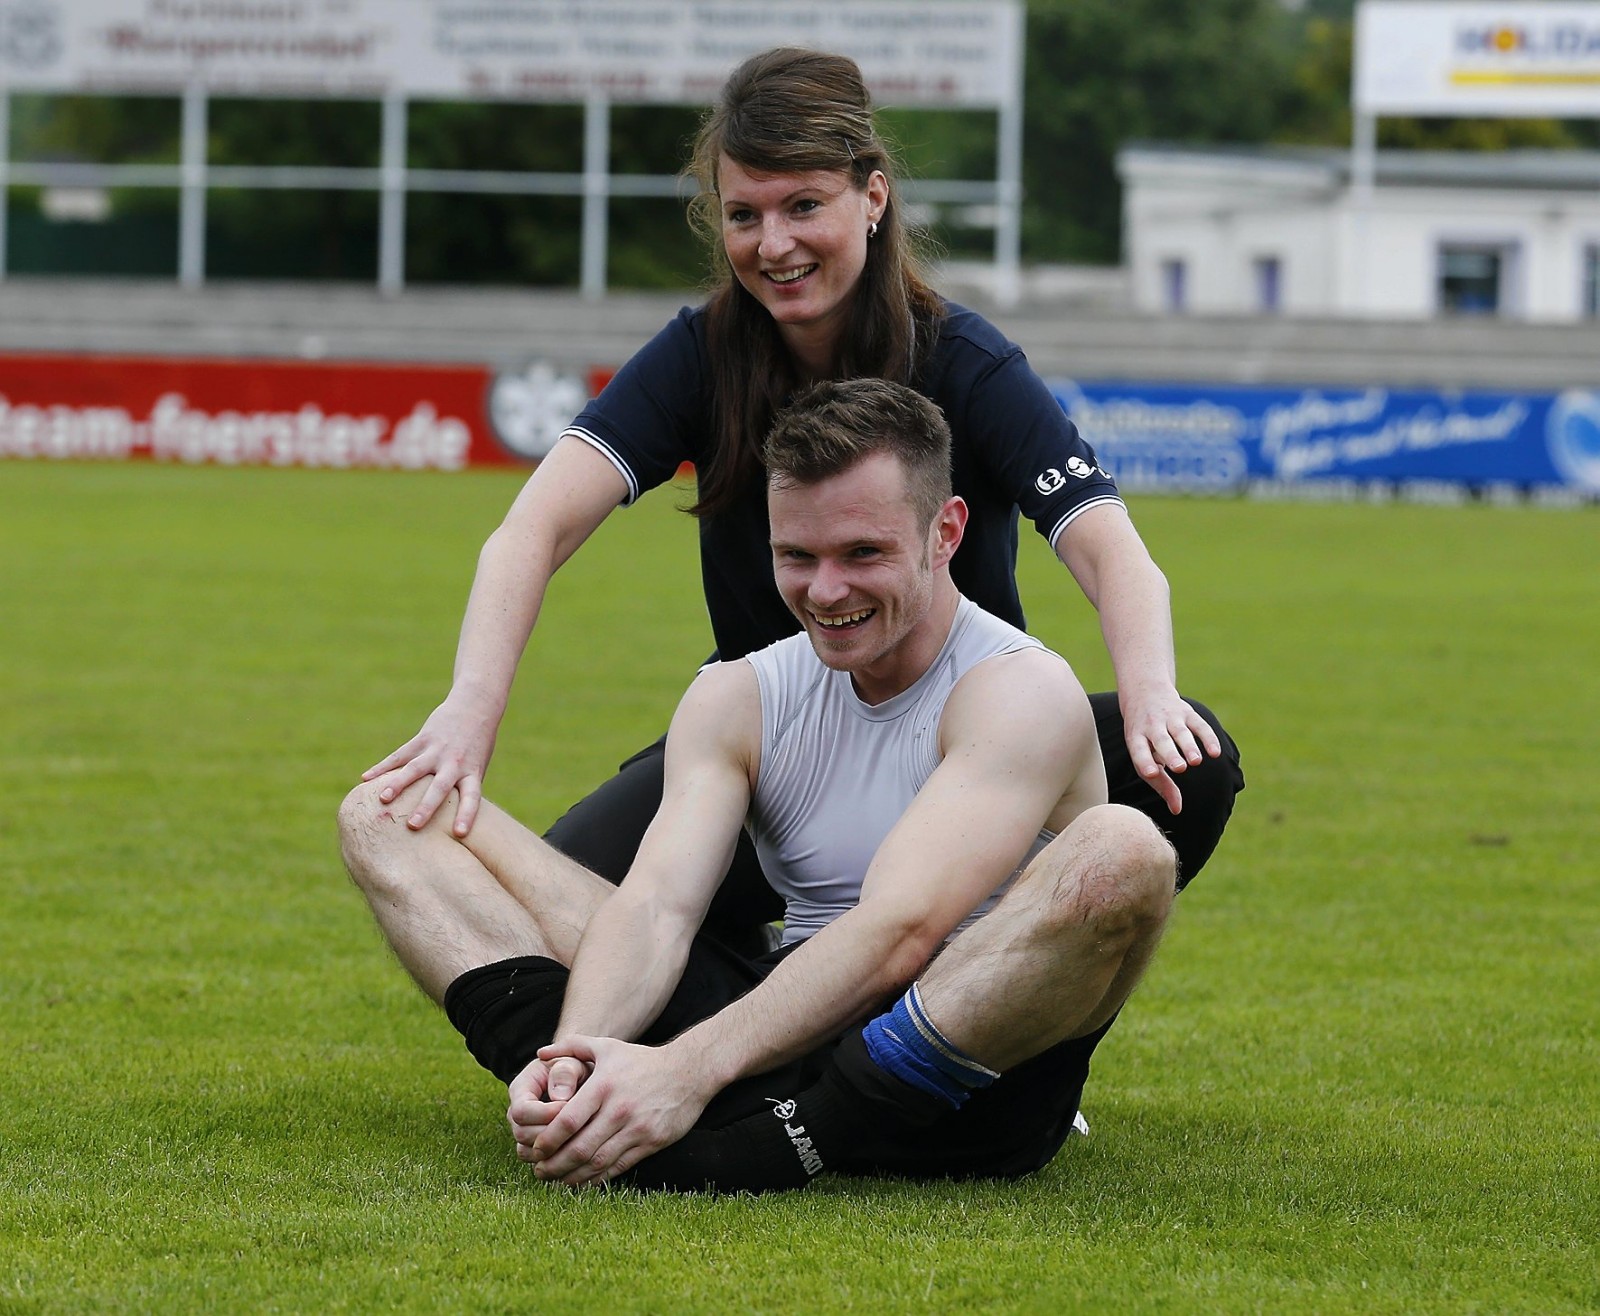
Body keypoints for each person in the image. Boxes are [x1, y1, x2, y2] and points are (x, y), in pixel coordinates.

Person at [359, 45, 1241, 954]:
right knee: (556, 913)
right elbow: (530, 530)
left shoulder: (967, 364)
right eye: (743, 215)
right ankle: (751, 1028)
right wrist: (470, 709)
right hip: (766, 763)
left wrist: (1149, 693)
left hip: (962, 755)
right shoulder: (699, 357)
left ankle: (1011, 1050)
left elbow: (1109, 546)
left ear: (874, 196)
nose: (772, 245)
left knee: (1190, 762)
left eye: (803, 206)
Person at [340, 378, 1178, 1192]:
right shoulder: (737, 695)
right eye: (796, 556)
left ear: (946, 532)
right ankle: (592, 1108)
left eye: (863, 553)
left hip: (962, 1079)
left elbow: (901, 933)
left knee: (1125, 852)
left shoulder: (1018, 690)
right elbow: (660, 907)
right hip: (785, 1024)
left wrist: (684, 1070)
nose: (826, 590)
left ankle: (782, 1144)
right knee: (389, 812)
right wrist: (575, 1054)